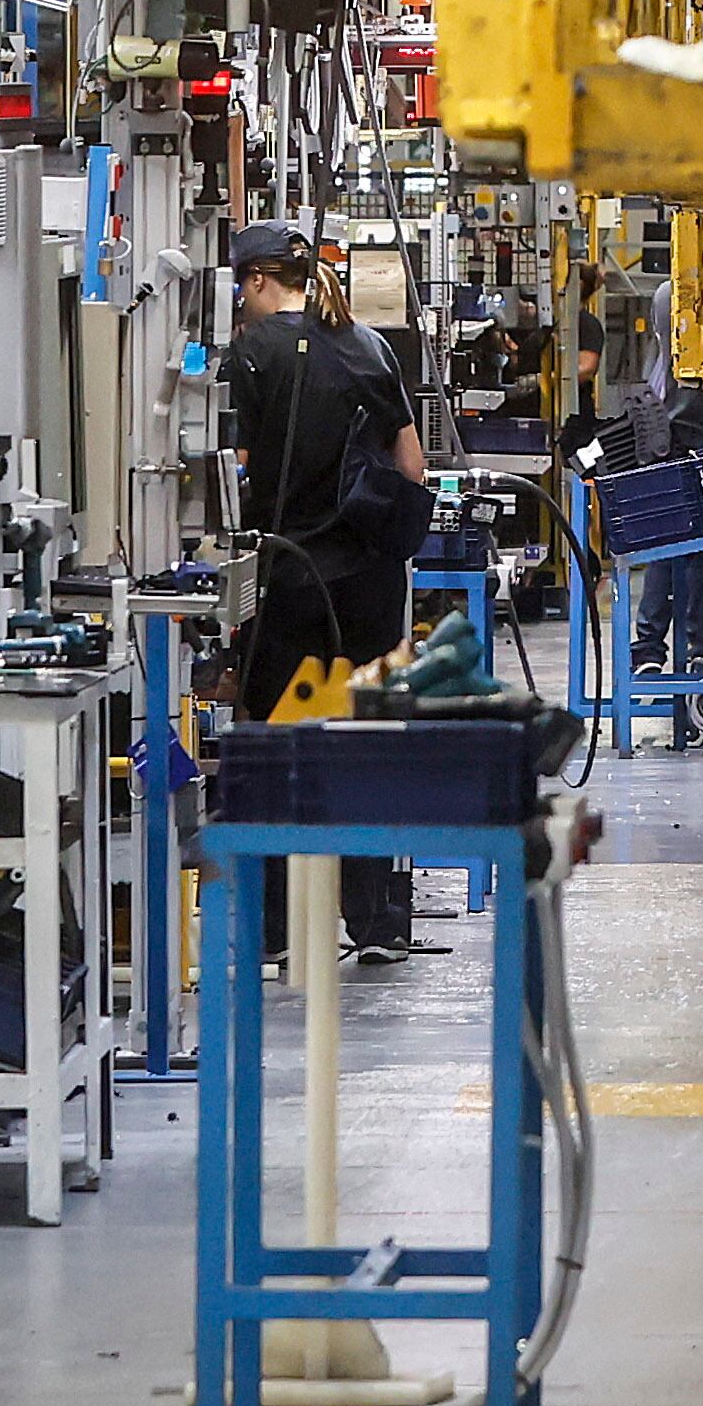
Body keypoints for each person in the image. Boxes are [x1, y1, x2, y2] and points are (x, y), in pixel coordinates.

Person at [220, 220, 436, 960]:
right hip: (369, 583)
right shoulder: (370, 345)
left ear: (254, 281)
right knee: (368, 742)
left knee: (280, 744)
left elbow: (233, 470)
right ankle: (379, 922)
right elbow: (411, 467)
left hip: (286, 579)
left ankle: (279, 930)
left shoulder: (251, 353)